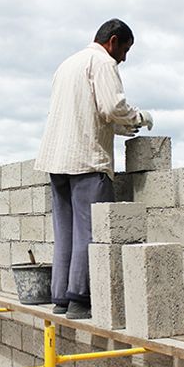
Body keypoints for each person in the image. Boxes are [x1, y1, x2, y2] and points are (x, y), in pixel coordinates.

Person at [35, 19, 154, 319]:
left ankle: (61, 298)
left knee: (66, 230)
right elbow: (112, 106)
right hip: (87, 160)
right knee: (90, 230)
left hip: (57, 159)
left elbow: (85, 112)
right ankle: (80, 300)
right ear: (112, 41)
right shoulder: (102, 62)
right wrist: (138, 117)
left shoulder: (67, 65)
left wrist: (117, 128)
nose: (124, 58)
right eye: (124, 50)